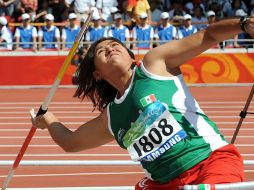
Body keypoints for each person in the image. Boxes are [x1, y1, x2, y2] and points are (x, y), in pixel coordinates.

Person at [31, 16, 254, 189]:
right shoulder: (111, 117)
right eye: (101, 50)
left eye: (116, 44)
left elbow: (208, 36)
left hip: (210, 162)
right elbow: (70, 142)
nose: (110, 47)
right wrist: (48, 119)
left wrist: (244, 24)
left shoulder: (154, 65)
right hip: (164, 184)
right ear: (97, 74)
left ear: (131, 56)